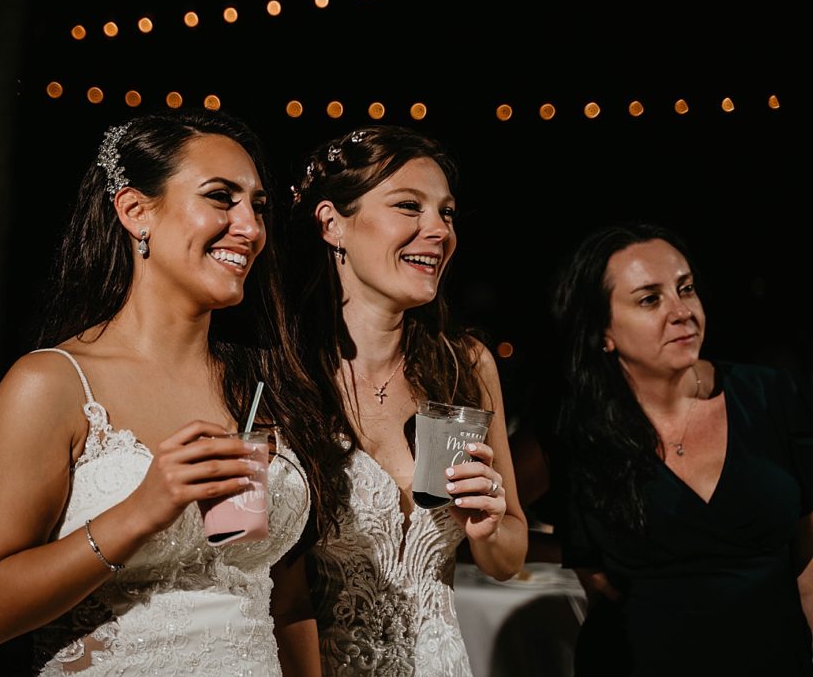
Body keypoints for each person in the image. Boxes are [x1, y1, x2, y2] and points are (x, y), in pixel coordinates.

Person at [0, 108, 336, 675]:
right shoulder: (52, 385)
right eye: (221, 198)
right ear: (135, 212)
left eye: (258, 205)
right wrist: (140, 511)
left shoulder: (264, 386)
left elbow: (287, 597)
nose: (251, 228)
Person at [280, 124, 528, 675]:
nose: (437, 230)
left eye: (447, 213)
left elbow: (508, 558)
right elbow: (279, 594)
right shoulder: (286, 375)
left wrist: (489, 526)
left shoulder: (464, 365)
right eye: (409, 206)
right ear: (332, 224)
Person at [550, 222, 813, 676]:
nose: (681, 311)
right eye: (650, 299)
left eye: (685, 289)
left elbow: (809, 557)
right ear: (603, 331)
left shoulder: (769, 395)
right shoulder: (583, 429)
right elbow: (596, 582)